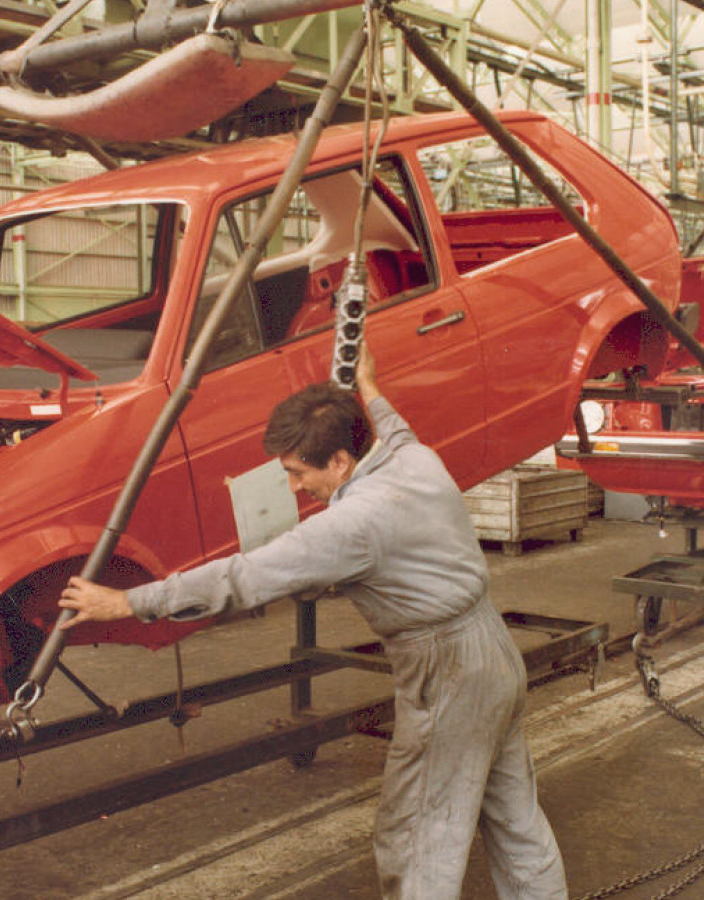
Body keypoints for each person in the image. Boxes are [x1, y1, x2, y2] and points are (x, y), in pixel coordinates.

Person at [59, 345, 567, 900]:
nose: (295, 487)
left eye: (298, 473)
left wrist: (129, 602)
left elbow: (242, 577)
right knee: (515, 819)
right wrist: (368, 384)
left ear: (340, 462)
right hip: (493, 652)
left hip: (448, 673)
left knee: (416, 836)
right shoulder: (414, 458)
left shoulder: (354, 523)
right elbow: (394, 428)